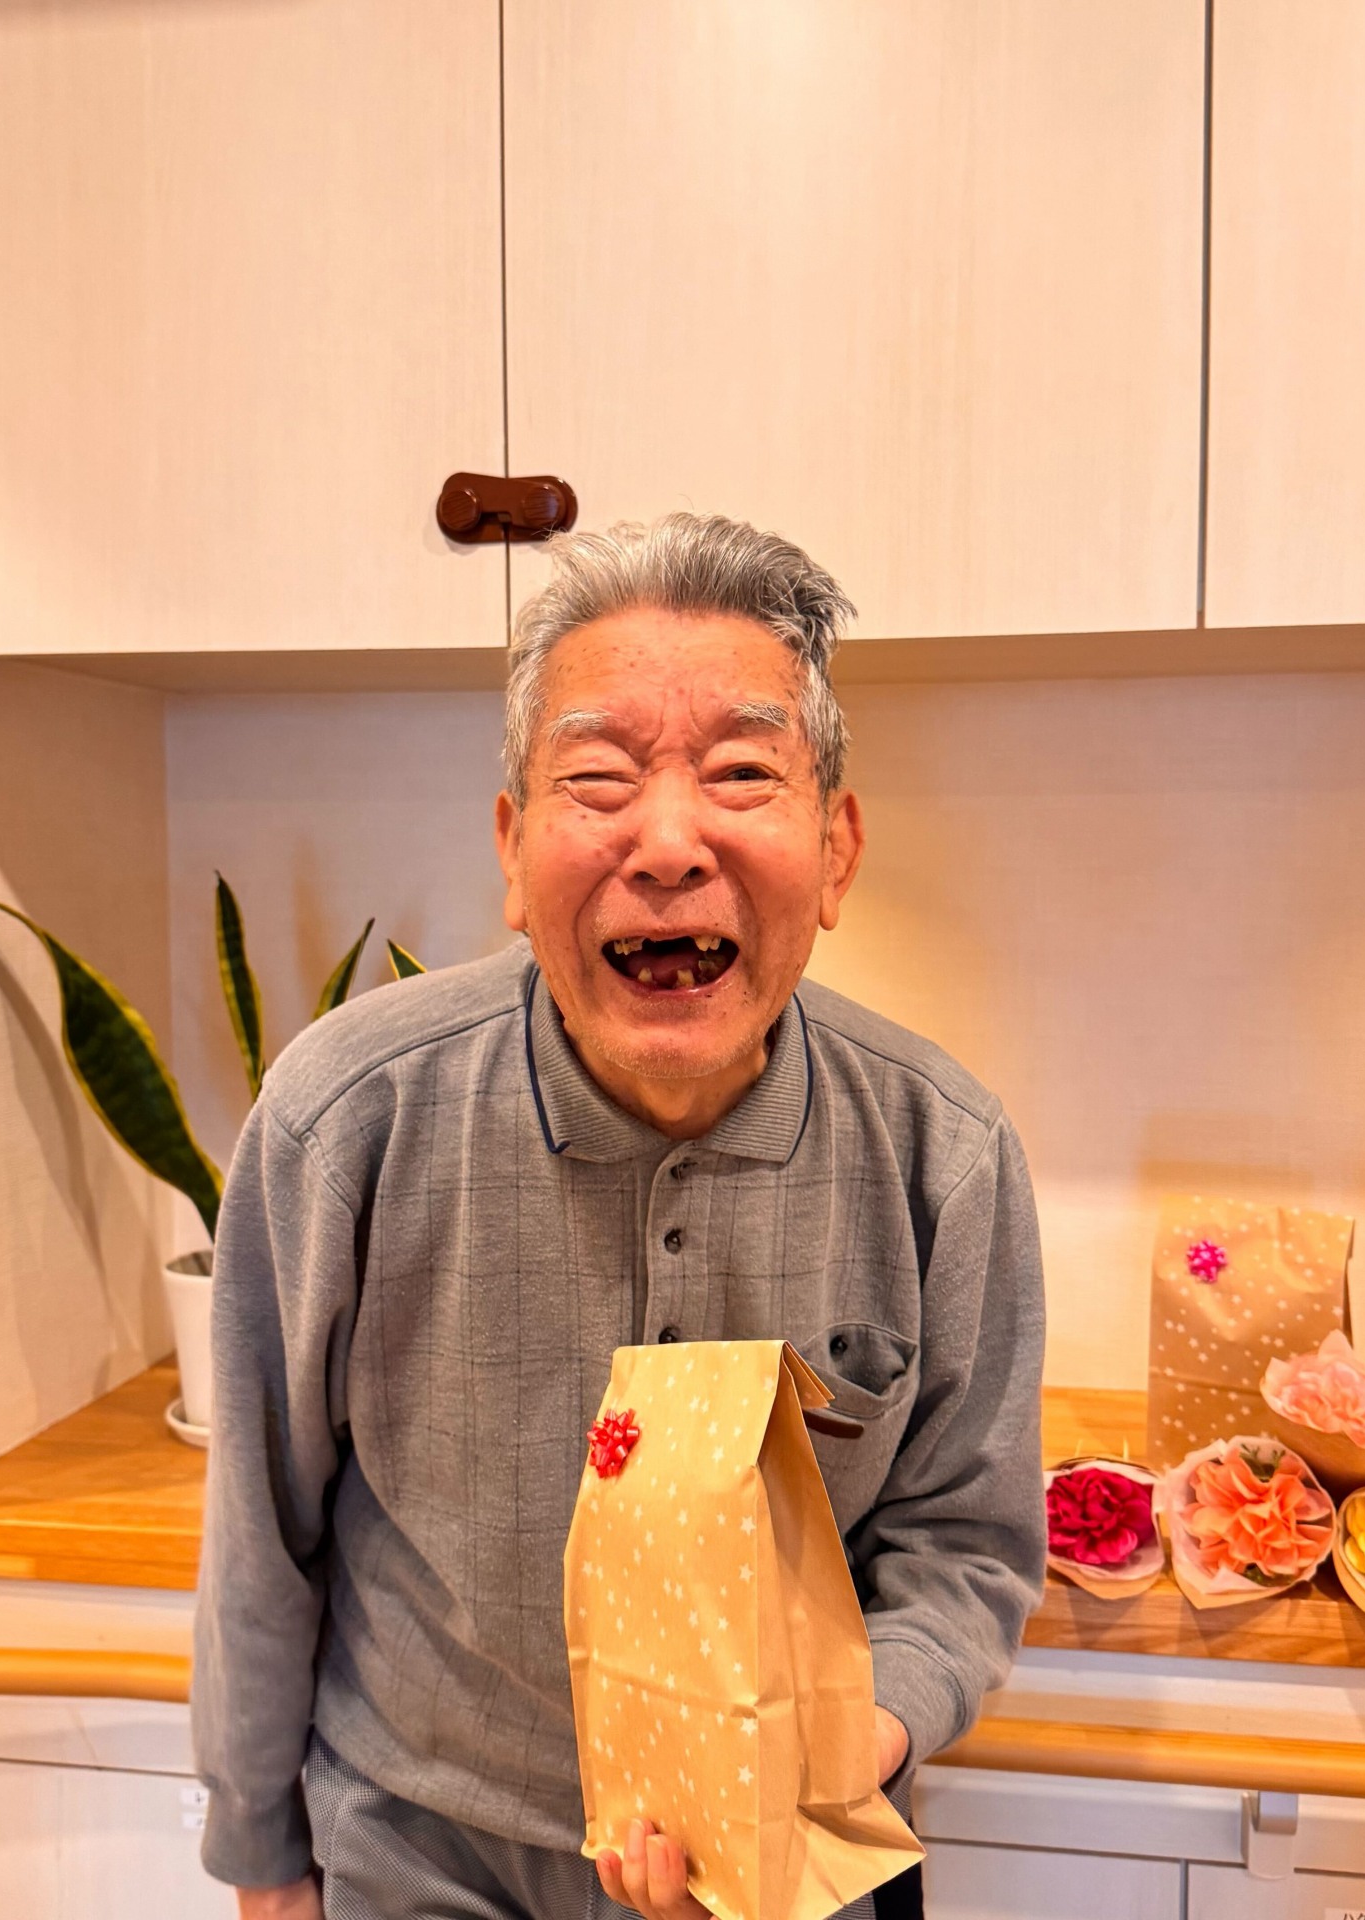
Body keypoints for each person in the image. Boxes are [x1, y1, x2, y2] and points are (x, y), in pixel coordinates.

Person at [193, 514, 1046, 1920]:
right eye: (597, 780)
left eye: (742, 773)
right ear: (513, 850)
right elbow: (261, 1525)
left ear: (836, 851)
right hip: (427, 1857)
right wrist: (263, 1859)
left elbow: (965, 1541)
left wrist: (852, 1738)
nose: (667, 842)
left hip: (800, 1862)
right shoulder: (345, 1119)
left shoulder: (942, 1153)